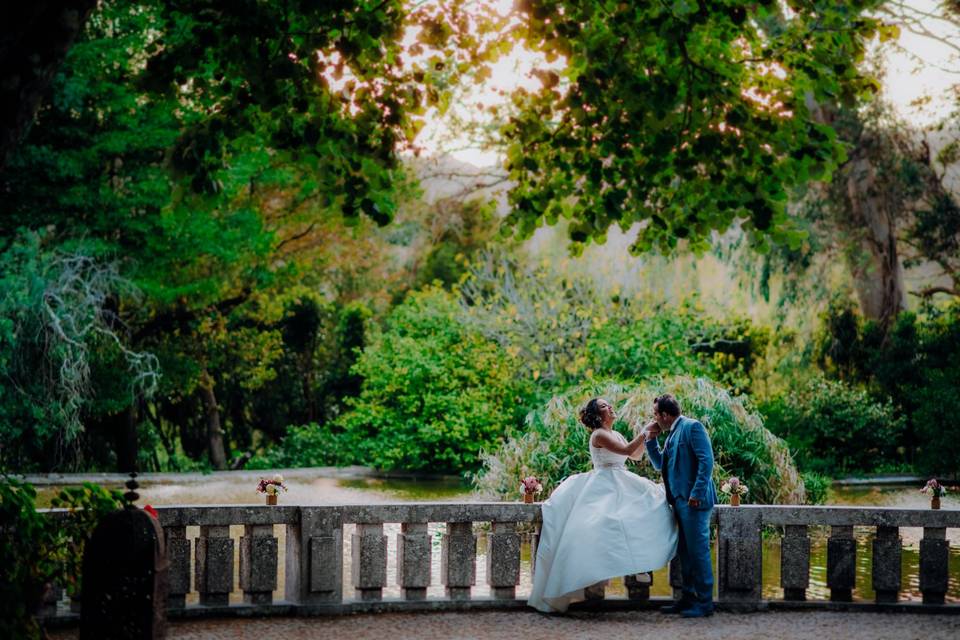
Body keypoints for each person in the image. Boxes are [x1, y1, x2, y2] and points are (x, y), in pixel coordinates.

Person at [527, 397, 678, 613]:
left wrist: (646, 440)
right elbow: (626, 450)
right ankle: (630, 566)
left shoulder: (615, 433)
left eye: (609, 404)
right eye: (605, 406)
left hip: (622, 480)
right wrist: (644, 432)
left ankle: (640, 564)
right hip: (605, 482)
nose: (611, 407)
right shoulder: (598, 434)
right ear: (598, 415)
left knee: (648, 509)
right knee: (609, 522)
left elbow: (634, 456)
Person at [643, 393, 718, 618]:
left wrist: (696, 494)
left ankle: (705, 604)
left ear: (665, 415)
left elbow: (707, 461)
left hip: (694, 502)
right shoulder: (671, 434)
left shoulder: (692, 427)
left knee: (699, 553)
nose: (654, 418)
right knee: (685, 554)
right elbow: (659, 464)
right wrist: (650, 440)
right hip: (679, 502)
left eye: (655, 414)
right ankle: (687, 599)